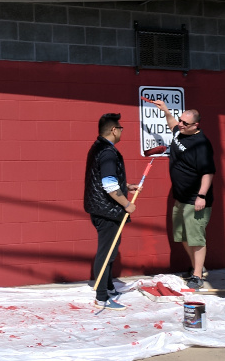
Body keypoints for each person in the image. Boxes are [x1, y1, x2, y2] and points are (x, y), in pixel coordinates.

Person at [152, 101, 215, 290]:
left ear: (196, 125)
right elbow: (172, 125)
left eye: (185, 123)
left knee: (196, 238)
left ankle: (197, 276)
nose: (180, 124)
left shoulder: (201, 145)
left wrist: (201, 196)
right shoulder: (180, 132)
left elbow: (208, 172)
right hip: (180, 198)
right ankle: (199, 267)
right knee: (183, 237)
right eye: (180, 120)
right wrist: (165, 111)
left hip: (195, 199)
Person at [83, 113, 138, 310]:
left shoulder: (98, 147)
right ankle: (101, 297)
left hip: (102, 208)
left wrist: (127, 186)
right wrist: (126, 203)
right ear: (114, 130)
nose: (122, 131)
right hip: (106, 211)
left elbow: (103, 180)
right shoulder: (107, 152)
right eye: (121, 128)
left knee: (112, 250)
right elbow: (108, 184)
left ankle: (108, 286)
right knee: (106, 252)